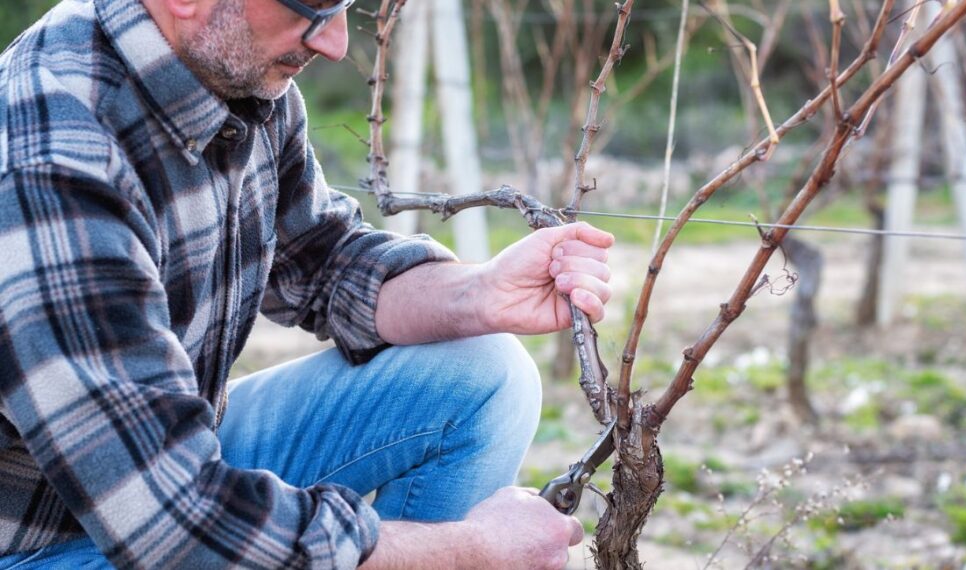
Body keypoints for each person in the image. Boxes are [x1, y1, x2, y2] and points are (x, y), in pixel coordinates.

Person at [0, 0, 615, 567]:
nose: (337, 43)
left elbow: (324, 263)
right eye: (312, 5)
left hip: (170, 463)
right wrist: (470, 550)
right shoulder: (51, 161)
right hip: (45, 540)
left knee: (483, 374)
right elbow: (176, 528)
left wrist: (478, 293)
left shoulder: (232, 76)